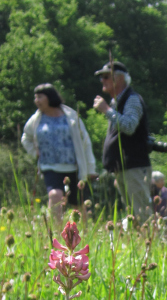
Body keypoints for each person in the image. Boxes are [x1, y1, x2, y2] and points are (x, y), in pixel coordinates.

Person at [21, 83, 96, 220]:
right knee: (55, 195)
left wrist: (91, 168)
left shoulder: (70, 115)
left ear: (50, 97)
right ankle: (56, 234)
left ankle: (83, 234)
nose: (36, 101)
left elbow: (85, 141)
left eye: (39, 97)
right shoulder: (36, 119)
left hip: (73, 167)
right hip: (49, 166)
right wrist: (34, 152)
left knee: (78, 204)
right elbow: (26, 138)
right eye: (35, 98)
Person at [93, 61, 152, 221]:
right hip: (123, 168)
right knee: (132, 214)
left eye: (106, 77)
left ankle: (151, 242)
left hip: (134, 166)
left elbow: (129, 126)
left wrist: (106, 110)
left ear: (119, 79)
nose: (102, 81)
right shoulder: (116, 102)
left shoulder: (132, 99)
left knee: (142, 213)